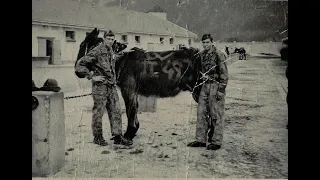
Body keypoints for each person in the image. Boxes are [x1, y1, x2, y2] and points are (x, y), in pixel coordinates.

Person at [75, 30, 132, 146]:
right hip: (100, 87)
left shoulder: (110, 50)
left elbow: (112, 59)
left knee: (116, 111)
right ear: (104, 38)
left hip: (111, 86)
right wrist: (92, 76)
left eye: (112, 39)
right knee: (98, 113)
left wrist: (125, 53)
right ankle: (98, 137)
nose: (111, 41)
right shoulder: (96, 51)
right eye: (109, 39)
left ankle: (117, 137)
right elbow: (79, 65)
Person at [187, 34, 229, 150]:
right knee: (201, 113)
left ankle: (216, 141)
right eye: (203, 42)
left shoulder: (219, 55)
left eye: (207, 42)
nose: (205, 45)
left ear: (212, 42)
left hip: (215, 86)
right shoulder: (201, 55)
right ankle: (200, 139)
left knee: (216, 114)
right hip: (204, 86)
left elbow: (224, 75)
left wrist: (221, 91)